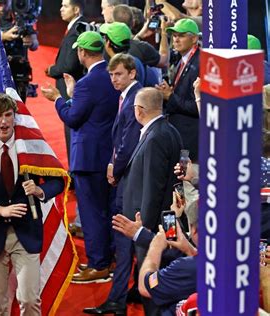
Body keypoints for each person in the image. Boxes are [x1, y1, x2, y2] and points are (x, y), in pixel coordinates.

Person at [0, 93, 64, 315]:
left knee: (29, 300)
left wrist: (40, 191)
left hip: (25, 233)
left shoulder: (30, 144)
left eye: (8, 115)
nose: (4, 121)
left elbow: (59, 180)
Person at [41, 31, 119, 283]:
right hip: (109, 154)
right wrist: (75, 95)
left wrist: (59, 99)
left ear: (82, 53)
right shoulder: (112, 75)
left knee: (92, 213)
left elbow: (73, 117)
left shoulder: (88, 83)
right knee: (106, 209)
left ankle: (99, 265)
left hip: (89, 158)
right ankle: (108, 258)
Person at [83, 53, 142, 315]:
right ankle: (134, 291)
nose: (114, 79)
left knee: (124, 240)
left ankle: (117, 299)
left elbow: (128, 142)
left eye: (118, 74)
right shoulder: (126, 97)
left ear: (132, 73)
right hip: (126, 175)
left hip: (129, 182)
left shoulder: (134, 100)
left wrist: (115, 169)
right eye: (111, 74)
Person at [121, 87, 182, 315]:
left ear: (139, 110)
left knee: (152, 283)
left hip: (151, 225)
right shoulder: (169, 129)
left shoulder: (155, 137)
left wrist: (142, 230)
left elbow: (153, 187)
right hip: (166, 220)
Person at [44, 0, 86, 238]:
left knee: (74, 149)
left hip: (71, 96)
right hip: (70, 95)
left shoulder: (75, 31)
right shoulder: (75, 28)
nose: (61, 8)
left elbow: (68, 64)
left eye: (65, 5)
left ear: (76, 9)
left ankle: (81, 214)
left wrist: (52, 70)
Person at [138, 200, 199, 316]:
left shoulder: (185, 267)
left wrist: (155, 247)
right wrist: (189, 249)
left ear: (194, 230)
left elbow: (145, 286)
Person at [0, 0, 39, 102]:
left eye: (4, 3)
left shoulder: (21, 19)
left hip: (17, 70)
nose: (1, 8)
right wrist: (2, 36)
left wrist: (31, 42)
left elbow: (35, 45)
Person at [155, 18, 200, 161]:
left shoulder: (201, 62)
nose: (176, 39)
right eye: (174, 36)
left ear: (194, 39)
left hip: (191, 140)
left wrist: (170, 96)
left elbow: (198, 107)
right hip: (180, 135)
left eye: (181, 35)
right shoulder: (182, 59)